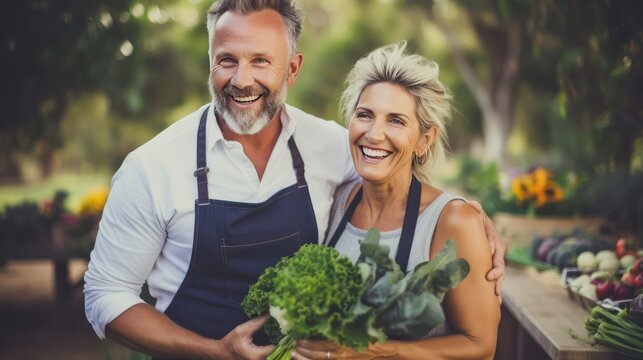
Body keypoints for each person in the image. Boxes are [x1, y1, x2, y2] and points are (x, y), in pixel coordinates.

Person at [83, 1, 505, 359]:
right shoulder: (152, 167)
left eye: (261, 61)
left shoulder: (331, 146)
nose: (242, 79)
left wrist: (468, 216)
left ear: (293, 68)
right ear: (210, 63)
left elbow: (400, 170)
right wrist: (211, 350)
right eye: (227, 60)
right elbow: (106, 293)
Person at [294, 43, 501, 359]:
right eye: (365, 115)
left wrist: (373, 353)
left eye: (396, 121)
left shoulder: (453, 221)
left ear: (424, 140)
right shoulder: (335, 199)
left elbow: (481, 346)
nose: (375, 134)